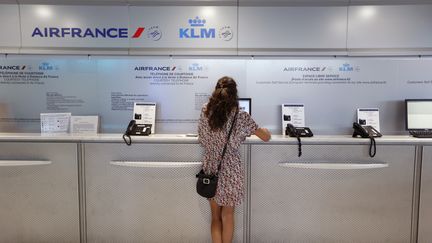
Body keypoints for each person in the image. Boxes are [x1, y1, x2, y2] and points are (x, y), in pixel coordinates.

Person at [198, 76, 271, 243]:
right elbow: (265, 136)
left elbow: (202, 138)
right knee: (228, 215)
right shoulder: (241, 115)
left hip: (211, 168)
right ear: (234, 94)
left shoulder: (205, 110)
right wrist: (253, 131)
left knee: (215, 217)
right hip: (231, 168)